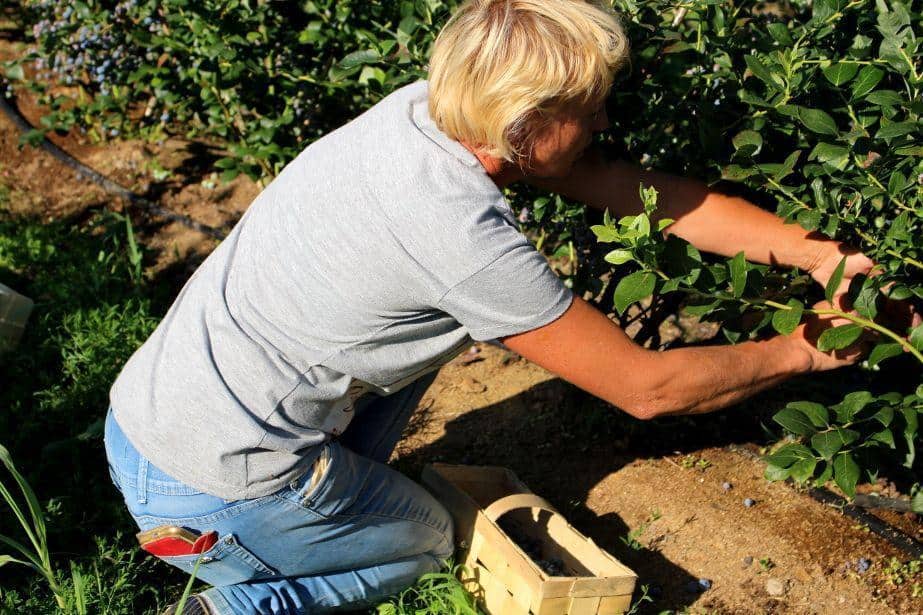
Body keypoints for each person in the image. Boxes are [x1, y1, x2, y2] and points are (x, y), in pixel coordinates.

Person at [103, 1, 918, 614]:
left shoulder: (426, 111)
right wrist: (807, 350)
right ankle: (237, 598)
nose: (605, 120)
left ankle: (290, 519)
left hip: (148, 420)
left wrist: (820, 253)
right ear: (526, 126)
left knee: (415, 343)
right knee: (431, 543)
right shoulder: (456, 233)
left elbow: (633, 190)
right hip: (217, 486)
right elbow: (648, 389)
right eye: (591, 108)